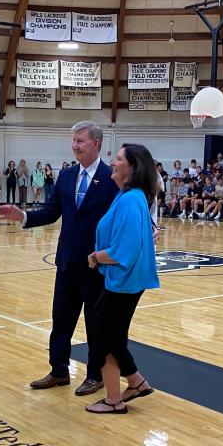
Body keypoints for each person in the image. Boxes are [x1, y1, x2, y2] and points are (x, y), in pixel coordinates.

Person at [0, 121, 118, 396]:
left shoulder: (111, 179)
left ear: (96, 144)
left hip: (97, 265)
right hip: (66, 263)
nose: (75, 146)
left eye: (81, 141)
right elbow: (51, 212)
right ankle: (59, 370)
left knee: (95, 324)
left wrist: (148, 228)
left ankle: (95, 375)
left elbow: (124, 213)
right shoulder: (65, 175)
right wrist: (24, 216)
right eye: (74, 141)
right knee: (61, 320)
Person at [84, 143, 160, 414]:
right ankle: (136, 383)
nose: (112, 163)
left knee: (103, 339)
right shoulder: (129, 196)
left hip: (123, 281)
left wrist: (95, 257)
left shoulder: (130, 199)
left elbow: (124, 251)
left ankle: (114, 401)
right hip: (124, 280)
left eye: (118, 159)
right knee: (113, 337)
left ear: (132, 167)